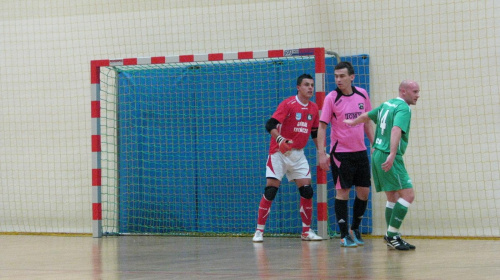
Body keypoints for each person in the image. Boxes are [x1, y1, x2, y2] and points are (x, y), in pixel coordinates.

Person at [344, 80, 420, 250]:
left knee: (392, 196)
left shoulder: (387, 104)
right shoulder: (403, 108)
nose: (417, 95)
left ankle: (391, 235)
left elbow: (367, 116)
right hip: (388, 154)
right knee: (408, 195)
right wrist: (393, 154)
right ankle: (392, 235)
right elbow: (396, 130)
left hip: (377, 152)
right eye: (414, 91)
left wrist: (353, 122)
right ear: (403, 91)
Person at [252, 73, 323, 242]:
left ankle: (306, 231)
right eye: (306, 85)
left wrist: (322, 152)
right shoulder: (288, 104)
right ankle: (259, 231)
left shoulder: (313, 108)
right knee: (271, 190)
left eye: (312, 85)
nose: (310, 88)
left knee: (307, 191)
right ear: (298, 87)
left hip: (298, 154)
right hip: (279, 153)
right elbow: (270, 124)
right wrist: (280, 139)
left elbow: (314, 132)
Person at [317, 61, 374, 247]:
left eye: (342, 76)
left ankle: (355, 228)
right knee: (342, 192)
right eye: (336, 76)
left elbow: (367, 121)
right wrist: (321, 153)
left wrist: (375, 145)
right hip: (340, 153)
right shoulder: (331, 98)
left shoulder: (362, 94)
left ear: (352, 77)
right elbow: (322, 126)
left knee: (364, 192)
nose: (338, 79)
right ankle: (343, 235)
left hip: (360, 152)